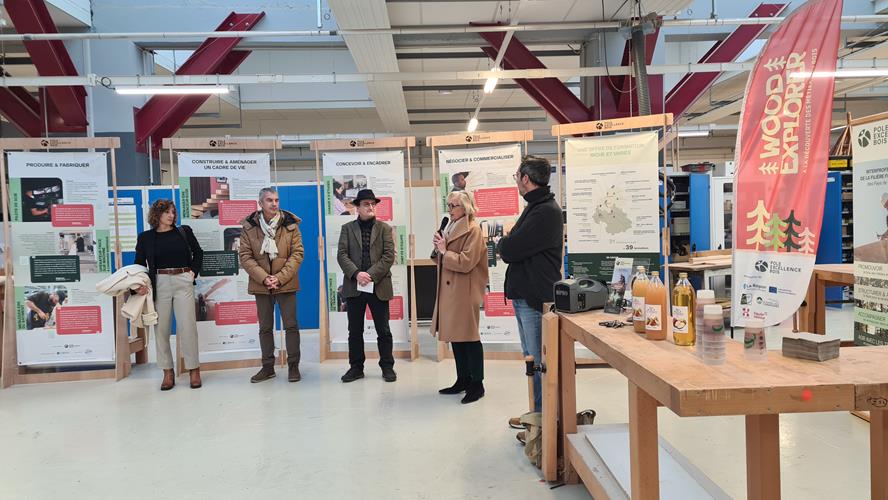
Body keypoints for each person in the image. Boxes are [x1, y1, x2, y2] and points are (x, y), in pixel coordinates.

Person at [497, 156, 563, 424]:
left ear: (526, 178)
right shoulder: (536, 207)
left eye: (517, 176)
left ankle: (543, 422)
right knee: (533, 361)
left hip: (535, 299)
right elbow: (513, 244)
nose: (516, 181)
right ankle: (538, 418)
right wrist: (509, 241)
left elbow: (510, 249)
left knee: (539, 364)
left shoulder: (544, 211)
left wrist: (505, 241)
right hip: (527, 296)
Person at [134, 199, 204, 391]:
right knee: (162, 329)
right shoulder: (145, 238)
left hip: (183, 281)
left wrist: (193, 272)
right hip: (160, 283)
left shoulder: (184, 232)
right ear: (157, 215)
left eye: (173, 212)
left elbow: (198, 253)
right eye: (167, 212)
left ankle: (194, 369)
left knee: (188, 327)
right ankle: (167, 372)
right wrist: (138, 286)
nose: (171, 215)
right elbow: (139, 264)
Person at [240, 187, 305, 384]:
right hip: (262, 285)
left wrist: (279, 277)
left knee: (291, 326)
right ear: (260, 203)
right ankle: (268, 367)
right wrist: (264, 278)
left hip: (286, 283)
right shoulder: (249, 226)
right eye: (269, 200)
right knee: (265, 327)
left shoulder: (290, 224)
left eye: (276, 200)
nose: (274, 203)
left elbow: (297, 254)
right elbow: (245, 256)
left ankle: (293, 366)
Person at [431, 191, 489, 404]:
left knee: (469, 337)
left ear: (466, 207)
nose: (449, 209)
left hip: (465, 290)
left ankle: (477, 384)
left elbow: (466, 263)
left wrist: (444, 251)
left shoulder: (473, 230)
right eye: (448, 205)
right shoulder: (451, 226)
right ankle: (463, 379)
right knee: (456, 336)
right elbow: (443, 257)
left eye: (453, 205)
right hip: (451, 290)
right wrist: (437, 249)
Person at [336, 188, 397, 383]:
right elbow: (342, 255)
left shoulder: (385, 229)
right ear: (358, 207)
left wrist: (369, 275)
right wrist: (357, 274)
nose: (370, 207)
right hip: (354, 286)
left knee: (383, 330)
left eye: (373, 204)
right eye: (366, 204)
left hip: (378, 285)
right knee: (354, 331)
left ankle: (387, 366)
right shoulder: (347, 228)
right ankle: (356, 368)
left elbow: (389, 256)